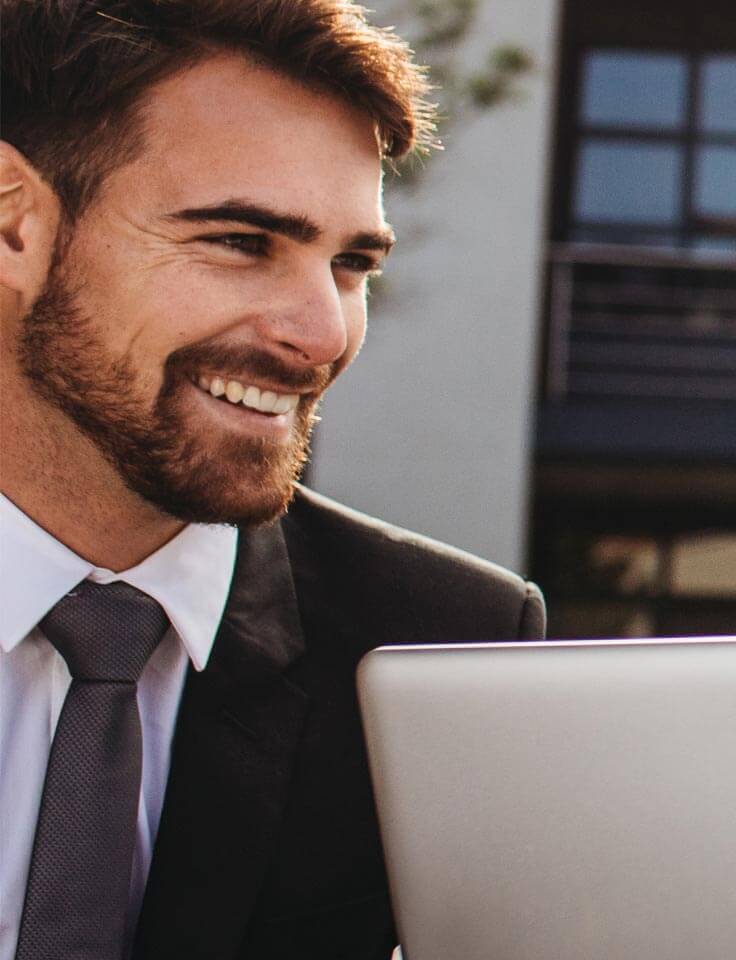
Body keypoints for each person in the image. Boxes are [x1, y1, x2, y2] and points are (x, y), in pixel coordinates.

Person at [0, 2, 547, 958]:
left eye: (351, 265)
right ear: (15, 224)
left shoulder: (443, 647)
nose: (322, 334)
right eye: (240, 242)